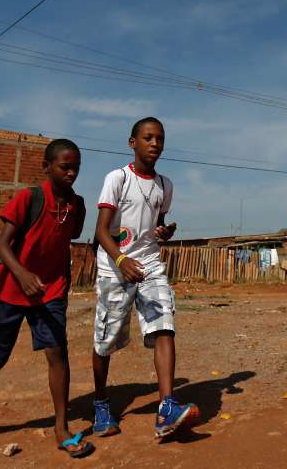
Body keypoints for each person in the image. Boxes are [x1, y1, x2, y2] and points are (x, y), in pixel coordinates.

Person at [0, 139, 93, 459]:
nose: (72, 173)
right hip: (12, 289)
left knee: (57, 352)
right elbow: (2, 245)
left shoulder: (77, 205)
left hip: (52, 290)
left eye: (76, 168)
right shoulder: (28, 198)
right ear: (47, 167)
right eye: (65, 167)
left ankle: (62, 428)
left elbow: (69, 236)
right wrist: (23, 274)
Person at [90, 117, 198, 441]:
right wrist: (121, 260)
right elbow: (100, 231)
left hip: (149, 265)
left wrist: (164, 231)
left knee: (164, 325)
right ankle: (100, 403)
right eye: (148, 138)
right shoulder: (117, 179)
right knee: (105, 341)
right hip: (114, 265)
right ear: (132, 142)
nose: (155, 144)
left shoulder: (165, 185)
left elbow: (156, 225)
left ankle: (167, 407)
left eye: (160, 139)